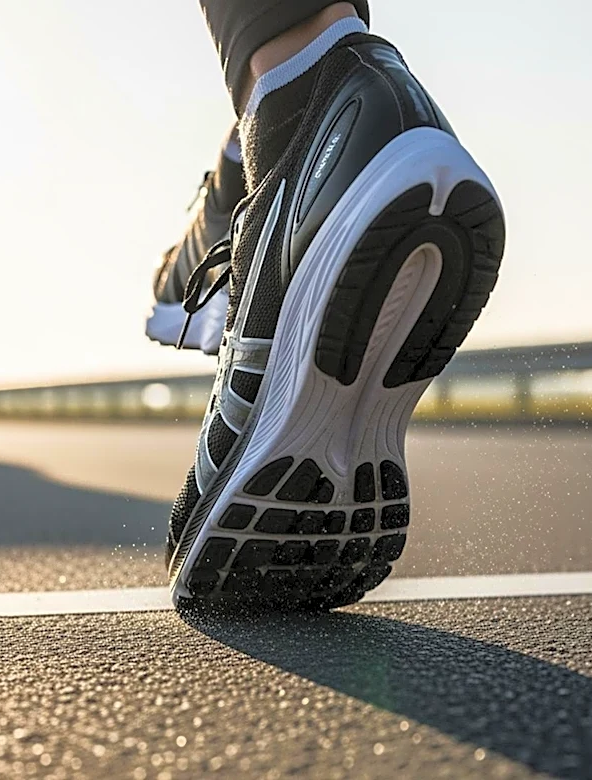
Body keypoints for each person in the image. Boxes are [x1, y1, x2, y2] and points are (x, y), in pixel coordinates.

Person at [149, 2, 506, 608]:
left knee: (288, 75)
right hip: (347, 101)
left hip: (313, 106)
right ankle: (274, 148)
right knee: (281, 88)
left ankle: (296, 109)